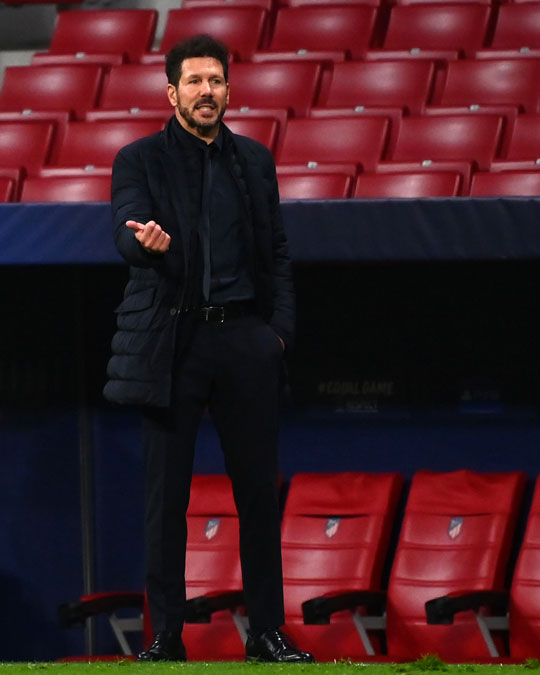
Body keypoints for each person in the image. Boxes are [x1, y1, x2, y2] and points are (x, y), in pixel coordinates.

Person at [103, 34, 311, 663]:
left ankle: (267, 634)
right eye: (193, 81)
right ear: (172, 93)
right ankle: (166, 635)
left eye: (216, 81)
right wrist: (147, 244)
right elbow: (126, 228)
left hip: (245, 340)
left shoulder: (254, 160)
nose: (206, 92)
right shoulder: (137, 160)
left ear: (229, 90)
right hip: (174, 340)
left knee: (256, 492)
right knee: (167, 497)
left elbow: (276, 250)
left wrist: (276, 333)